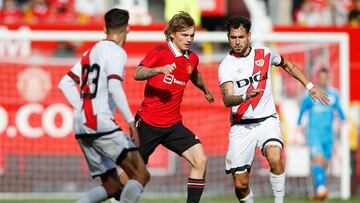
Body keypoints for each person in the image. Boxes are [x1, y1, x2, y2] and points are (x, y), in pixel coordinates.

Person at [218, 16, 329, 203]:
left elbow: (288, 65)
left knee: (275, 158)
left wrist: (310, 86)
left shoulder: (265, 54)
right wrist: (245, 96)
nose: (237, 42)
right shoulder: (226, 66)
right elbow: (227, 99)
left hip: (267, 120)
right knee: (240, 184)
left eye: (241, 37)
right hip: (241, 126)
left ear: (249, 36)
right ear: (229, 38)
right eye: (233, 37)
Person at [58, 8, 150, 203]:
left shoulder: (89, 52)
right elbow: (114, 86)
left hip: (81, 124)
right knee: (141, 175)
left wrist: (82, 108)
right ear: (128, 29)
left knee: (112, 186)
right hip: (100, 124)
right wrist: (131, 122)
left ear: (104, 28)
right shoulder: (117, 52)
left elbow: (64, 83)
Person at [131, 11, 213, 203]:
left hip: (173, 126)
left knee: (200, 160)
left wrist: (205, 89)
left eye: (192, 35)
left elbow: (194, 74)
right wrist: (158, 70)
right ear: (173, 33)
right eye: (185, 35)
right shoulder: (159, 52)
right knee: (135, 173)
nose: (190, 39)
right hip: (148, 124)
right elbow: (137, 73)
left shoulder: (192, 58)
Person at [297, 68, 346, 201]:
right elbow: (302, 112)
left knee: (324, 164)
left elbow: (341, 113)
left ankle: (321, 190)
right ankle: (320, 189)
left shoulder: (334, 94)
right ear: (317, 78)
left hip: (328, 135)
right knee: (317, 160)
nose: (323, 80)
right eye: (321, 77)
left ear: (328, 78)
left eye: (325, 77)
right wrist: (298, 128)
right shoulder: (310, 94)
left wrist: (344, 127)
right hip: (314, 134)